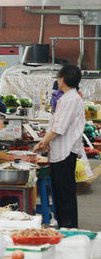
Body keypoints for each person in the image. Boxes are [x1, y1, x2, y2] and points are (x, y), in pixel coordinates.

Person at [33, 64, 88, 228]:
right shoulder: (67, 98)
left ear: (64, 79)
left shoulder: (71, 99)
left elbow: (59, 128)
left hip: (65, 152)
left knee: (64, 194)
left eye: (59, 77)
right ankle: (66, 225)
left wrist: (43, 142)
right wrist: (46, 141)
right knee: (60, 192)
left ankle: (68, 227)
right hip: (60, 152)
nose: (57, 80)